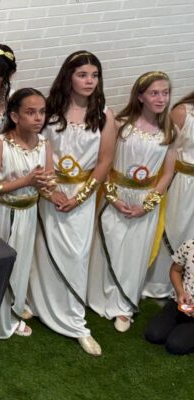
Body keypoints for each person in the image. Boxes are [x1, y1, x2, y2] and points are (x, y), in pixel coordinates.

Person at [28, 50, 115, 356]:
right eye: (82, 75)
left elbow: (104, 162)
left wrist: (80, 197)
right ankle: (37, 304)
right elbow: (41, 150)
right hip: (50, 190)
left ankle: (76, 321)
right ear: (68, 76)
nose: (89, 81)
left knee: (77, 256)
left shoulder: (104, 116)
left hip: (83, 194)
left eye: (94, 75)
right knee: (42, 250)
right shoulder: (49, 112)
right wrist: (50, 192)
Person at [88, 71, 177, 333]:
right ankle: (96, 296)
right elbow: (103, 161)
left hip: (145, 199)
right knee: (107, 247)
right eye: (154, 93)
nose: (161, 98)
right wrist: (113, 198)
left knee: (134, 254)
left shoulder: (170, 130)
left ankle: (123, 305)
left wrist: (148, 204)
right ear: (140, 96)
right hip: (115, 194)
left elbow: (168, 173)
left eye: (165, 93)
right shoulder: (121, 124)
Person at [0, 88, 53, 339]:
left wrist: (50, 187)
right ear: (15, 116)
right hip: (1, 214)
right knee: (0, 266)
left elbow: (47, 180)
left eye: (42, 112)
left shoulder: (44, 144)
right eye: (31, 112)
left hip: (28, 214)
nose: (38, 118)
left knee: (21, 266)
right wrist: (25, 181)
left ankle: (11, 313)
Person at [144, 90, 194, 298]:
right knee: (174, 228)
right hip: (182, 182)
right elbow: (165, 149)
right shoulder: (183, 113)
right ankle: (159, 283)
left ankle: (187, 285)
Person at [144, 239, 194, 355]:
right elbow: (175, 270)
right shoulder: (190, 245)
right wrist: (180, 292)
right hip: (180, 303)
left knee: (175, 345)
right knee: (153, 334)